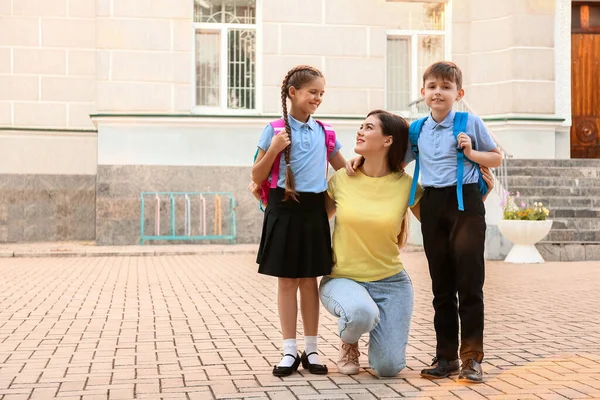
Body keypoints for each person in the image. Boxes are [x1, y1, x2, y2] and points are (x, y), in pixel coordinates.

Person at [324, 110, 495, 378]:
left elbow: (438, 224)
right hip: (343, 278)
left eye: (368, 127)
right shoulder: (342, 179)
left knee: (388, 369)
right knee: (359, 313)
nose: (359, 131)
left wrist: (479, 200)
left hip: (390, 283)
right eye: (361, 126)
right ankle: (350, 341)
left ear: (388, 141)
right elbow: (314, 224)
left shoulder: (406, 185)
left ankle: (373, 330)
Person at [408, 61, 502, 383]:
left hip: (465, 204)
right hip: (433, 204)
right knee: (441, 286)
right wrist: (359, 160)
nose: (438, 92)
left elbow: (497, 156)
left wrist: (472, 153)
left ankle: (472, 358)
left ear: (458, 93)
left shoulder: (468, 121)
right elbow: (395, 160)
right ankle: (445, 357)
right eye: (432, 87)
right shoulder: (416, 129)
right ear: (423, 92)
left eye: (446, 87)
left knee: (470, 284)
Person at [251, 65, 348, 377]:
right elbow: (256, 175)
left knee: (309, 280)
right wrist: (275, 149)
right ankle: (289, 350)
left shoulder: (326, 132)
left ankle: (313, 348)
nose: (317, 98)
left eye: (321, 93)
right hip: (284, 206)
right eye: (312, 92)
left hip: (312, 210)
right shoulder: (274, 129)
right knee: (287, 281)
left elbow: (344, 171)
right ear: (293, 93)